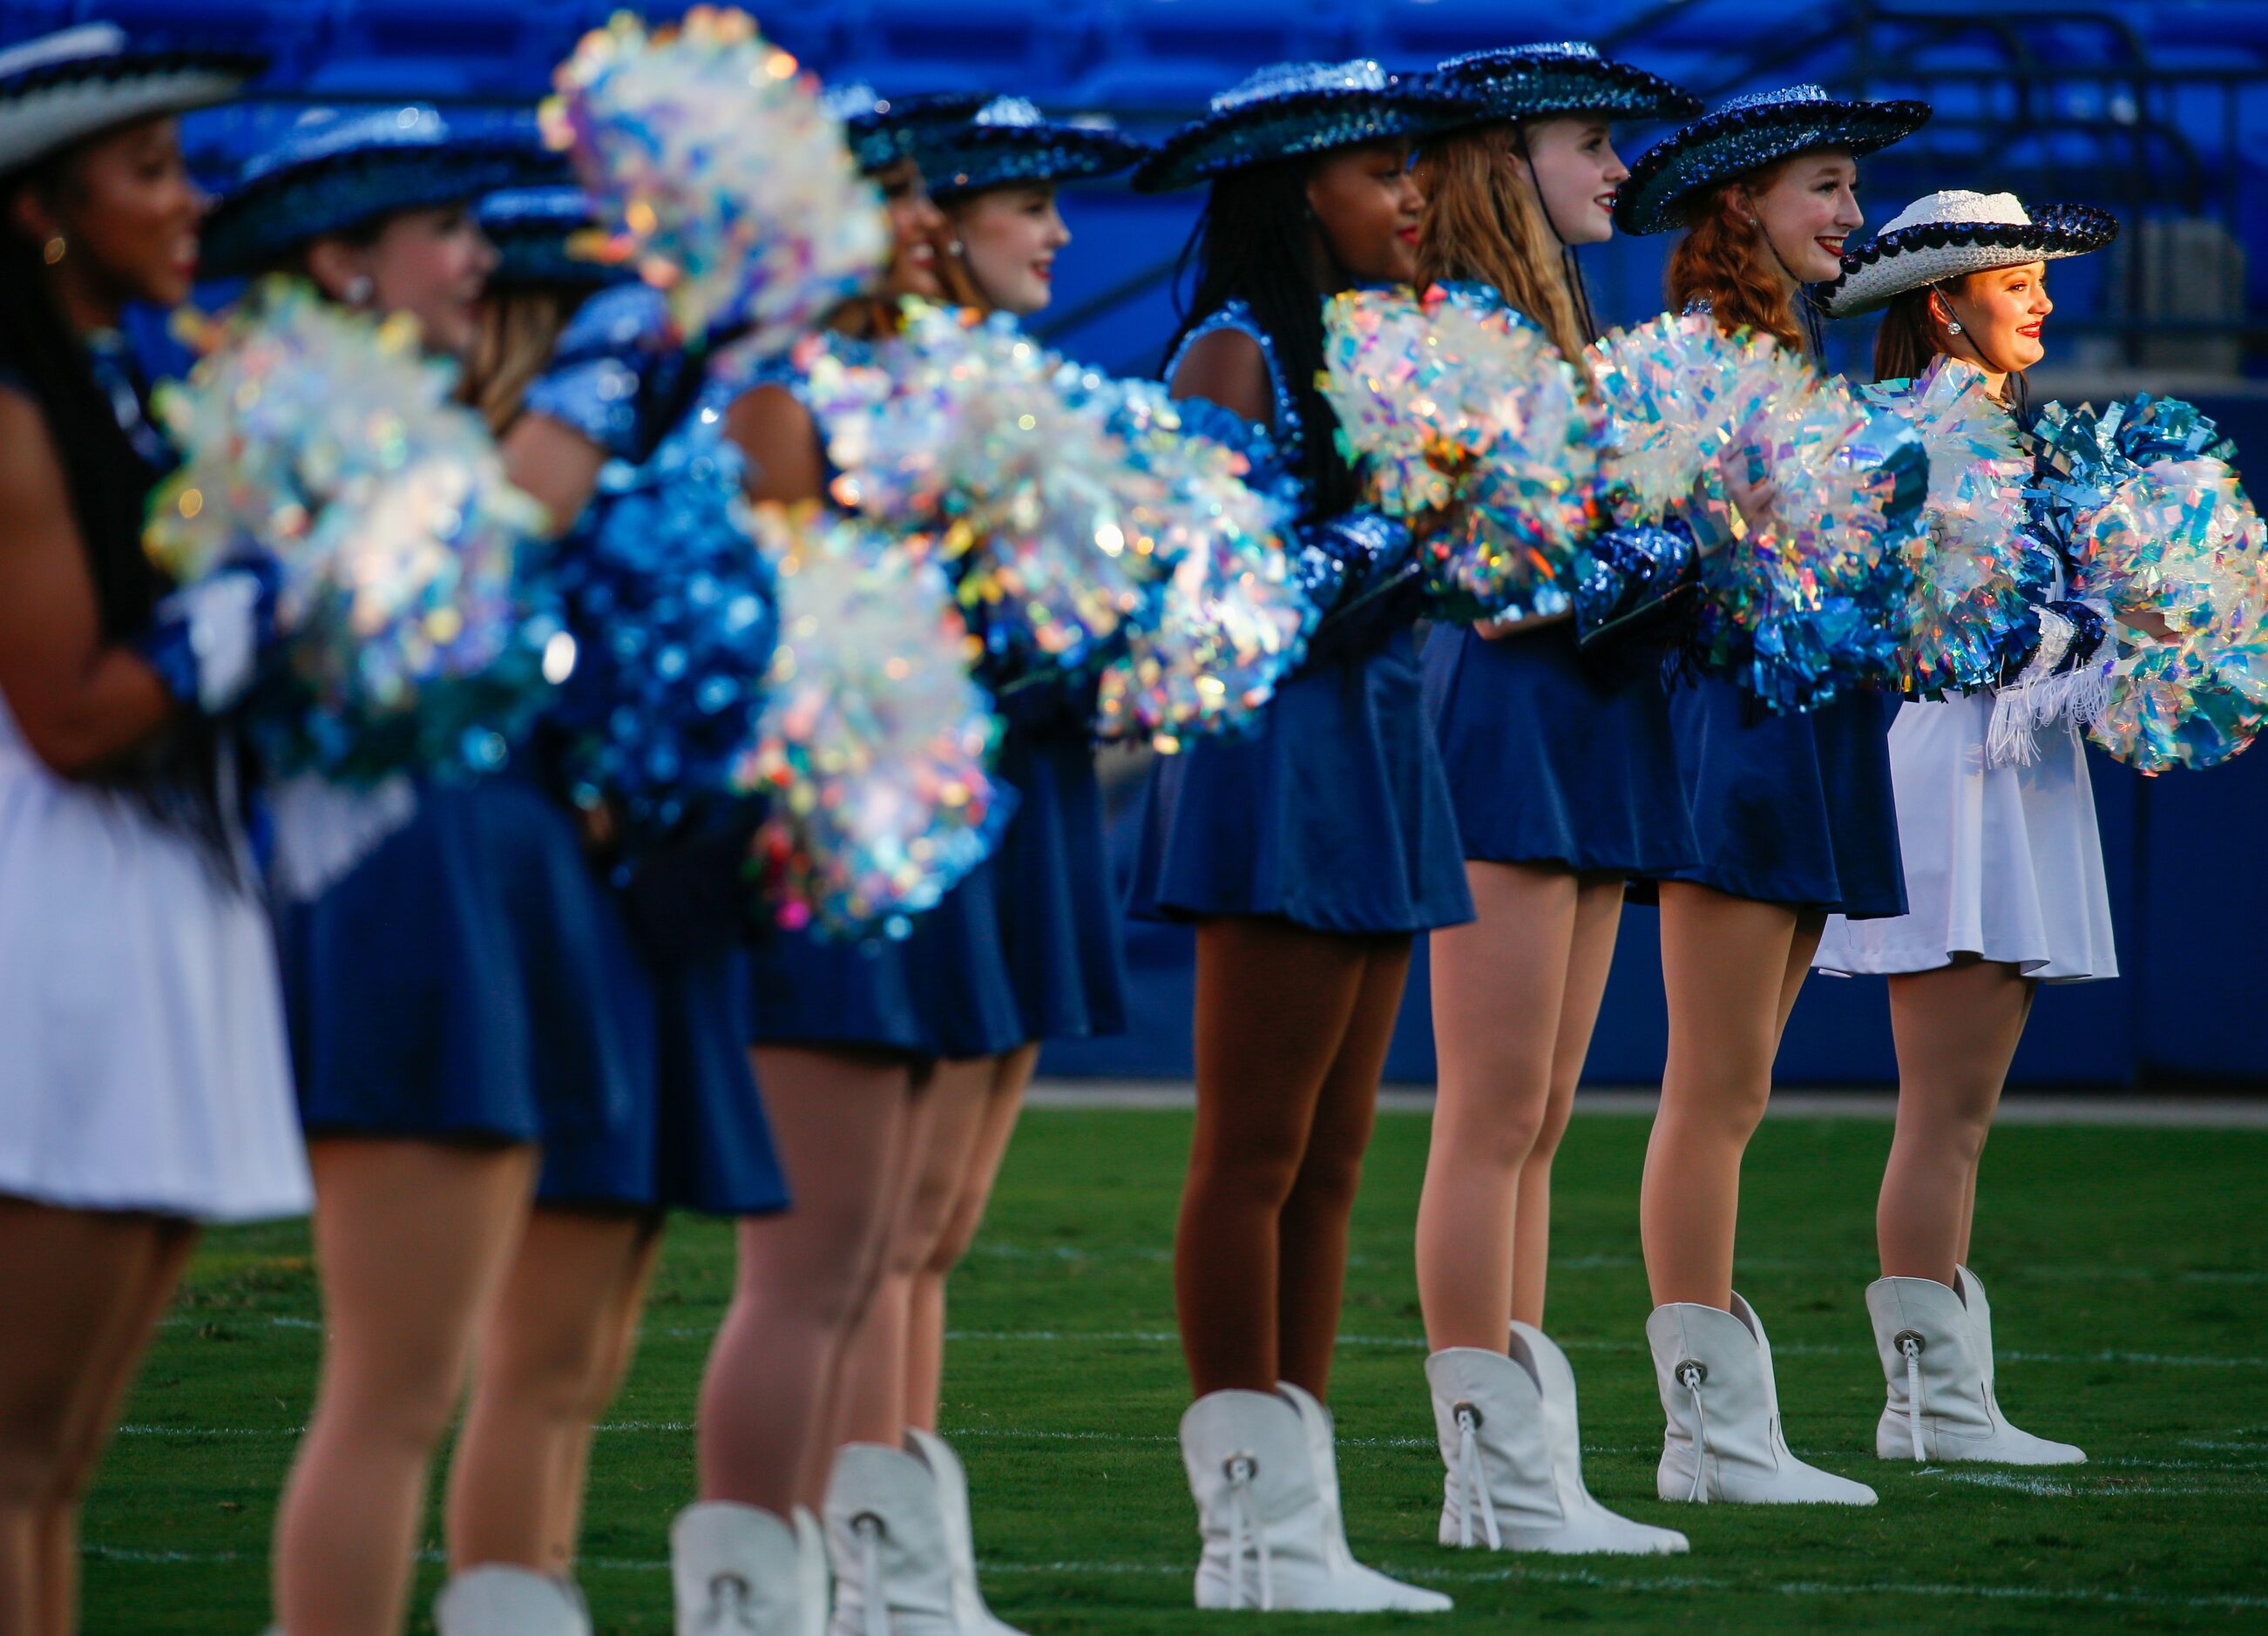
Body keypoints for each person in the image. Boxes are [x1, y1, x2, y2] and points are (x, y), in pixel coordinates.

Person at [196, 106, 625, 1636]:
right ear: (342, 259)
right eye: (445, 229)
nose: (475, 257)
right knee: (393, 1390)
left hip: (481, 892)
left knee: (468, 1373)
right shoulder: (299, 433)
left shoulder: (407, 425)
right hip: (396, 902)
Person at [1126, 59, 1479, 1612]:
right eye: (1379, 171)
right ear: (1296, 193)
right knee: (1255, 1151)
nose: (1412, 195)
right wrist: (1403, 529)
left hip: (1380, 750)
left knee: (1337, 1157)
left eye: (1415, 170)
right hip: (1278, 766)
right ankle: (1244, 1529)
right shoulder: (1231, 350)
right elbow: (1204, 600)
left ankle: (1306, 1520)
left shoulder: (1377, 346)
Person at [685, 83, 1034, 1636]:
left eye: (912, 190)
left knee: (890, 1247)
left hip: (929, 829)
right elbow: (768, 634)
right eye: (882, 189)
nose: (914, 214)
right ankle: (763, 1598)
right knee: (811, 1272)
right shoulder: (769, 390)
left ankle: (882, 1584)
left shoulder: (920, 376)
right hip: (827, 848)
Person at [442, 180, 789, 1633]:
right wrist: (600, 760)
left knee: (590, 1340)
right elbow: (478, 655)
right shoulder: (497, 482)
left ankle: (540, 1592)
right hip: (566, 914)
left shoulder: (646, 466)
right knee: (537, 1348)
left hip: (663, 904)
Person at [0, 24, 307, 1633]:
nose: (188, 203)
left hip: (160, 902)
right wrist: (265, 600)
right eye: (149, 170)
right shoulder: (13, 417)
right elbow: (70, 714)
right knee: (14, 1459)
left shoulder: (125, 390)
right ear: (45, 209)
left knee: (60, 1466)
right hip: (58, 926)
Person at [1611, 83, 1931, 1507]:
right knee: (1716, 1088)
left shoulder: (1792, 355)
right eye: (1827, 185)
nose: (1851, 217)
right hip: (1731, 738)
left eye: (1854, 189)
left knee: (1739, 1087)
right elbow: (1654, 559)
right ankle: (1709, 1435)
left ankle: (1720, 1429)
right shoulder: (1689, 356)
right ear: (1741, 198)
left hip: (1806, 732)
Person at [1407, 41, 1698, 1556]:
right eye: (1591, 145)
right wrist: (1668, 549)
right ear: (1507, 158)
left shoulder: (1571, 321)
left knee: (1543, 1120)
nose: (1615, 172)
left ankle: (1527, 1474)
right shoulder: (1459, 326)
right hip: (1509, 720)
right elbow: (1496, 577)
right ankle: (1494, 1479)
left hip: (1582, 723)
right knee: (1493, 1112)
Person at [1815, 189, 2122, 1467]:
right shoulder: (1916, 435)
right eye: (2016, 280)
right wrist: (2070, 631)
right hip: (1955, 767)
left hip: (2017, 768)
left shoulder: (2005, 431)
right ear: (1944, 306)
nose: (2042, 298)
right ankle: (1928, 1405)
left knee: (1962, 1110)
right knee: (1943, 1109)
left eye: (2044, 276)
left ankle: (1942, 1396)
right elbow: (1915, 625)